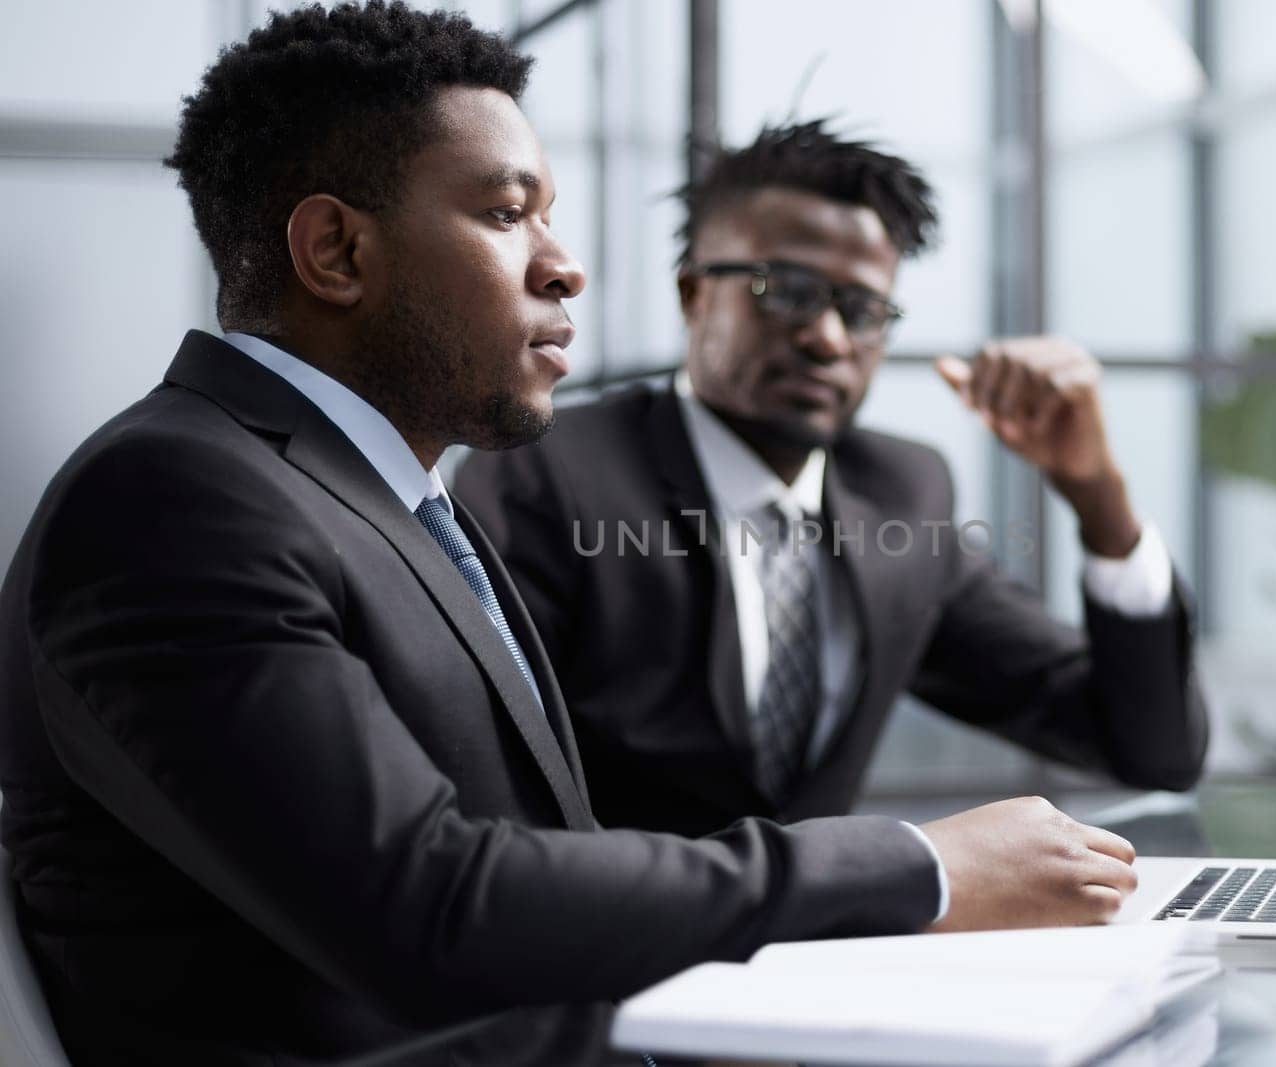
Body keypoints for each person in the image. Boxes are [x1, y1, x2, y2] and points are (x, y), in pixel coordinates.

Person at [0, 6, 1142, 1066]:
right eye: (506, 213)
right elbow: (428, 903)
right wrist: (920, 864)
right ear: (337, 253)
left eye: (549, 214)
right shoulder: (174, 499)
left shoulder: (393, 498)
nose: (564, 262)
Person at [453, 121, 1209, 838]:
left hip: (825, 969)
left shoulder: (903, 494)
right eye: (785, 290)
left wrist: (1098, 496)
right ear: (694, 295)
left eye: (862, 307)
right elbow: (488, 805)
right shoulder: (546, 472)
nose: (828, 337)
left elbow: (1152, 749)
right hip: (604, 962)